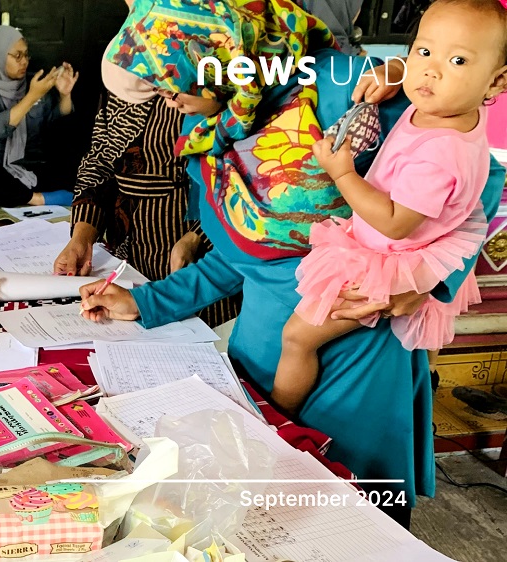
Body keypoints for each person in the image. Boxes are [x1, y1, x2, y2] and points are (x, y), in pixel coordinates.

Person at [80, 0, 505, 528]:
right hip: (262, 357)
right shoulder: (228, 121)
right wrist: (143, 302)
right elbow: (248, 255)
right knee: (265, 519)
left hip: (355, 353)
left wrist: (428, 283)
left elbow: (478, 173)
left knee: (358, 519)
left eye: (172, 85)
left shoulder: (335, 85)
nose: (169, 101)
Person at [272, 0, 507, 414]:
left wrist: (343, 173)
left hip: (385, 259)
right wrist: (397, 69)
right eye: (423, 50)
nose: (431, 70)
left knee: (296, 337)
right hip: (413, 244)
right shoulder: (450, 106)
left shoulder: (440, 155)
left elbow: (396, 223)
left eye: (457, 60)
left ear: (495, 83)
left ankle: (280, 422)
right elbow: (427, 67)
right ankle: (425, 387)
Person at [54, 2, 241, 326]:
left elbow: (234, 180)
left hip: (193, 241)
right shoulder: (125, 69)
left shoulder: (212, 79)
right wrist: (82, 236)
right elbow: (101, 157)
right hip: (129, 245)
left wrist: (197, 236)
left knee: (198, 331)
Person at [0, 25, 79, 208]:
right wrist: (31, 97)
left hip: (28, 165)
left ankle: (22, 194)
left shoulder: (33, 84)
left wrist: (65, 95)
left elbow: (57, 128)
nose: (24, 61)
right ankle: (38, 199)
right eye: (17, 56)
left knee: (74, 158)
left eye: (26, 55)